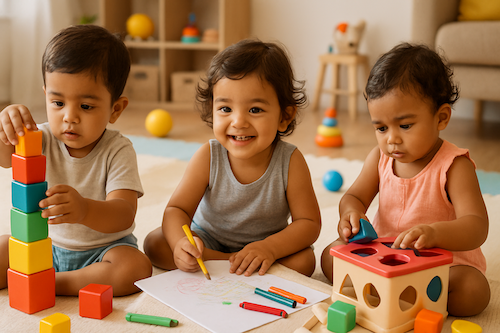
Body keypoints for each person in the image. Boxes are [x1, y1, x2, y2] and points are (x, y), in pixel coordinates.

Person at [320, 43, 490, 316]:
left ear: (441, 117)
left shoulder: (455, 166)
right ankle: (401, 295)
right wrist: (350, 213)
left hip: (439, 263)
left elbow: (476, 226)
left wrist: (435, 234)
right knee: (331, 255)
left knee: (474, 291)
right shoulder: (379, 158)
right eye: (381, 127)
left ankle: (399, 295)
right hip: (382, 256)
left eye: (405, 126)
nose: (392, 139)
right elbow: (354, 196)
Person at [144, 39, 321, 277]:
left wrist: (269, 247)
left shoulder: (290, 161)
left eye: (255, 110)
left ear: (284, 116)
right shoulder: (209, 155)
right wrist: (180, 244)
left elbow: (308, 223)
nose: (238, 122)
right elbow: (177, 209)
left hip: (266, 246)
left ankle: (235, 264)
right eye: (225, 109)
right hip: (207, 242)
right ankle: (232, 263)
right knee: (155, 243)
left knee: (304, 261)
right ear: (212, 109)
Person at [0, 25, 152, 296]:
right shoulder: (41, 136)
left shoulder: (118, 150)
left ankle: (54, 283)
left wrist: (85, 210)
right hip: (43, 245)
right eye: (58, 103)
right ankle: (35, 275)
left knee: (135, 268)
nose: (69, 116)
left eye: (85, 106)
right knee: (3, 246)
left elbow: (123, 213)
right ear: (45, 93)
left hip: (103, 253)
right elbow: (4, 159)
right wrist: (6, 128)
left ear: (115, 109)